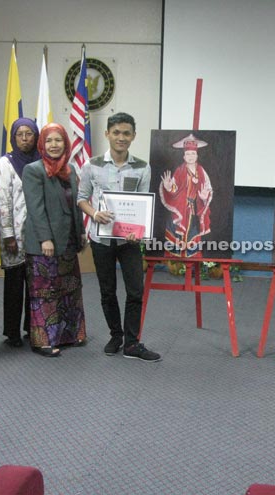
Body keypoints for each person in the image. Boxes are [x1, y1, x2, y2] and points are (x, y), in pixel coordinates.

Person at [77, 112, 161, 361]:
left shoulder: (143, 167)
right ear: (107, 134)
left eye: (126, 133)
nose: (121, 138)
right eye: (116, 133)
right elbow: (81, 198)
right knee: (107, 291)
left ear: (133, 136)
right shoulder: (91, 165)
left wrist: (138, 230)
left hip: (129, 241)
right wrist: (94, 214)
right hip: (101, 239)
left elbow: (143, 204)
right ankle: (116, 335)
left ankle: (132, 343)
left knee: (136, 291)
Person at [22, 123, 86, 357]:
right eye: (49, 140)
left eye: (58, 140)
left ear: (66, 144)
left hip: (68, 240)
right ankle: (43, 341)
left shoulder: (70, 170)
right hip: (44, 244)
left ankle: (69, 334)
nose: (54, 145)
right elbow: (35, 209)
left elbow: (76, 205)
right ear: (42, 144)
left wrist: (80, 231)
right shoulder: (33, 170)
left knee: (69, 288)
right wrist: (45, 239)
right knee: (45, 292)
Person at [0, 118, 40, 348]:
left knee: (36, 284)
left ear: (36, 136)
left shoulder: (42, 161)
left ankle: (31, 328)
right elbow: (2, 201)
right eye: (20, 134)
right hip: (14, 236)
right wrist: (8, 235)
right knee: (14, 284)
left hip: (38, 235)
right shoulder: (6, 162)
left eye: (29, 134)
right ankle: (12, 332)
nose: (24, 139)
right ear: (13, 137)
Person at [159, 133, 212, 257]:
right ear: (184, 156)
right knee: (176, 231)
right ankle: (175, 258)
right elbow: (174, 188)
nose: (190, 156)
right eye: (188, 154)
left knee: (193, 232)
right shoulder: (179, 171)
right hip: (181, 208)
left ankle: (192, 255)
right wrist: (169, 187)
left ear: (197, 155)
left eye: (193, 153)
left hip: (194, 208)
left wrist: (205, 197)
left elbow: (208, 188)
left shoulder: (202, 171)